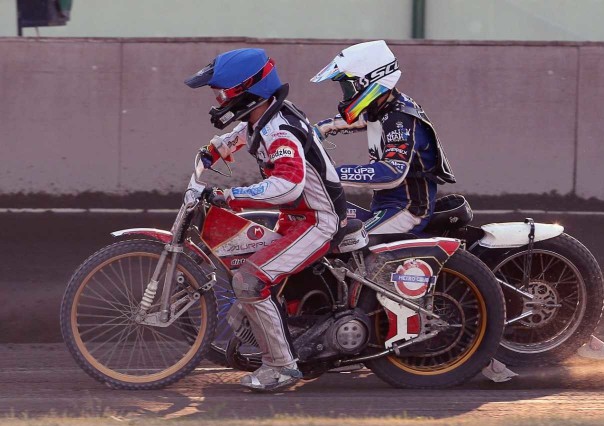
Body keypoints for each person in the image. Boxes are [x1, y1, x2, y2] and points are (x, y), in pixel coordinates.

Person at [185, 48, 346, 392]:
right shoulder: (259, 119)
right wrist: (205, 160)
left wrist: (229, 196)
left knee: (249, 281)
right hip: (295, 220)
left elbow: (289, 185)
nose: (217, 100)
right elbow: (223, 144)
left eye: (221, 93)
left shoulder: (280, 130)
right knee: (242, 262)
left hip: (318, 222)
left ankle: (282, 367)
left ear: (247, 91)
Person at [311, 40, 456, 235]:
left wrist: (329, 174)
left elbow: (391, 172)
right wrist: (313, 133)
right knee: (328, 218)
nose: (345, 93)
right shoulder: (381, 108)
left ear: (366, 82)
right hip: (384, 205)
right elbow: (350, 121)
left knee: (354, 240)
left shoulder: (401, 117)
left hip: (407, 210)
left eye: (348, 85)